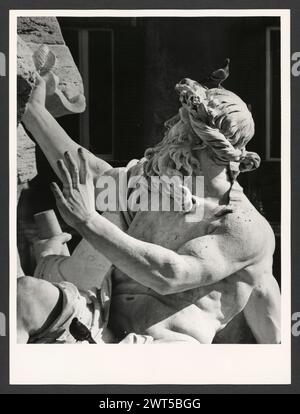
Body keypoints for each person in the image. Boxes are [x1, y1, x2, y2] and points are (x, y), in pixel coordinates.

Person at [17, 73, 281, 344]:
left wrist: (88, 221)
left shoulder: (241, 225)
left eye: (179, 123)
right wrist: (33, 111)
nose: (169, 127)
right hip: (99, 324)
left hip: (165, 348)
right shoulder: (162, 186)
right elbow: (92, 175)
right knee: (23, 297)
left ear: (200, 139)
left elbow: (170, 275)